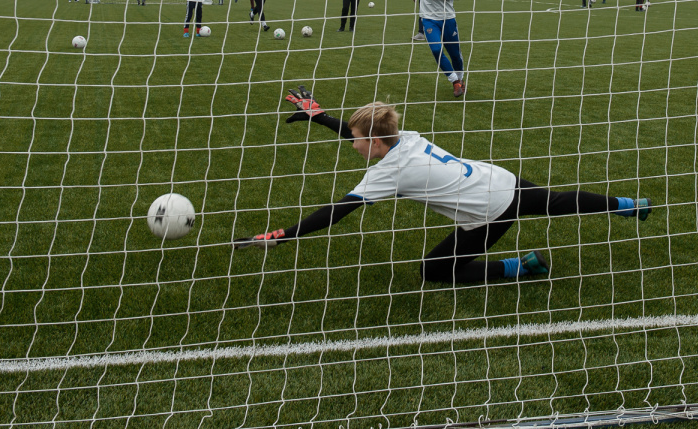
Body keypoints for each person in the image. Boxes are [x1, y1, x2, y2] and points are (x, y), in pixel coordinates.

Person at [235, 89, 650, 284]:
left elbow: (336, 213)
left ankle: (521, 268)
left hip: (488, 212)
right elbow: (362, 132)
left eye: (357, 139)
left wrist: (283, 236)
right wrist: (320, 117)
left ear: (375, 142)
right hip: (499, 179)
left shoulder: (388, 172)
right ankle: (629, 204)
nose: (354, 143)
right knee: (557, 200)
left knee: (435, 271)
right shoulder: (406, 139)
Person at [398, 0, 466, 97]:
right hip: (428, 18)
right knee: (436, 49)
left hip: (447, 18)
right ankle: (454, 81)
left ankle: (461, 79)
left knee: (454, 53)